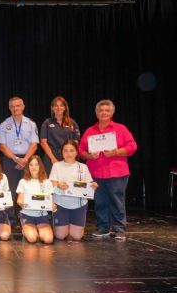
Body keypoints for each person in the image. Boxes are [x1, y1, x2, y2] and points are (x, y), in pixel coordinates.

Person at [79, 100, 137, 240]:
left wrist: (116, 152)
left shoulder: (120, 129)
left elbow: (132, 147)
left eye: (107, 110)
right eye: (101, 110)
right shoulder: (90, 131)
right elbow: (81, 151)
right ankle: (103, 228)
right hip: (96, 172)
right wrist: (89, 155)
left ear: (112, 112)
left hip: (116, 172)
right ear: (96, 113)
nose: (104, 113)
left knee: (117, 200)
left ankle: (119, 229)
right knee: (100, 201)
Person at [51, 141, 98, 241]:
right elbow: (51, 184)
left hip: (79, 205)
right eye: (66, 151)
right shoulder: (56, 166)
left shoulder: (83, 167)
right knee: (60, 236)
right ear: (62, 152)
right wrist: (58, 184)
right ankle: (61, 227)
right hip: (61, 204)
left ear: (76, 152)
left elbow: (89, 184)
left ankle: (70, 228)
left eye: (71, 151)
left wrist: (93, 186)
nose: (68, 153)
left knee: (77, 237)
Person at [0, 97, 39, 208]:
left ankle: (26, 215)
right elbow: (2, 146)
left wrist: (25, 159)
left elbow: (34, 145)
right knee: (10, 188)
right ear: (9, 108)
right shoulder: (4, 124)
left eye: (18, 105)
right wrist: (16, 159)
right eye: (12, 106)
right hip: (10, 160)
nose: (15, 108)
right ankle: (11, 218)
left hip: (27, 159)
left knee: (28, 187)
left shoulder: (31, 124)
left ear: (23, 107)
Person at [16, 155, 55, 244]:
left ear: (40, 166)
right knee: (32, 239)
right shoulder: (23, 181)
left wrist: (53, 207)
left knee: (48, 240)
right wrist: (21, 203)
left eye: (36, 164)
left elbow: (51, 201)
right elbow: (19, 200)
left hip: (42, 216)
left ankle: (38, 230)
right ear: (28, 167)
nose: (34, 167)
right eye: (31, 165)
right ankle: (26, 229)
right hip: (27, 215)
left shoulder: (47, 182)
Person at [40, 96, 81, 174]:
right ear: (52, 108)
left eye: (61, 105)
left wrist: (70, 156)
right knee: (52, 183)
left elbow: (76, 142)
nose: (58, 108)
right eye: (56, 105)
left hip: (68, 155)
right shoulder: (47, 123)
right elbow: (43, 142)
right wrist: (52, 158)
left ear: (65, 107)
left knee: (69, 181)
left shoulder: (72, 122)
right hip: (51, 157)